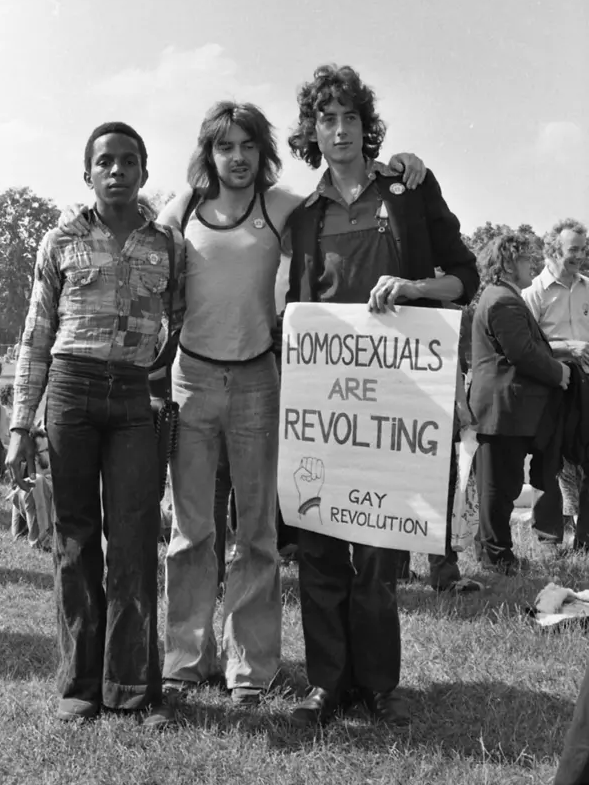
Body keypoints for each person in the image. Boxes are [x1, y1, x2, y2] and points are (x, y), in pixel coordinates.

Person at [61, 101, 426, 722]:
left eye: (248, 147)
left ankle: (251, 666)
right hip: (191, 381)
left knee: (255, 533)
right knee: (191, 531)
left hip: (260, 380)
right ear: (209, 152)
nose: (237, 158)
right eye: (225, 147)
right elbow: (128, 227)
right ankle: (184, 659)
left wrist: (396, 167)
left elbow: (346, 192)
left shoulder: (282, 206)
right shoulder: (181, 211)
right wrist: (79, 213)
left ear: (263, 153)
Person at [284, 64, 480, 727]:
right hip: (322, 406)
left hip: (394, 407)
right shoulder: (302, 214)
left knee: (377, 550)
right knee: (318, 544)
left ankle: (378, 686)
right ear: (312, 131)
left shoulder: (409, 190)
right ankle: (325, 684)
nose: (340, 131)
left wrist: (415, 288)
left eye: (351, 119)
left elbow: (464, 277)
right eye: (327, 120)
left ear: (369, 128)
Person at [6, 122, 183, 726]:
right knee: (76, 540)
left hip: (135, 399)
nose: (116, 171)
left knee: (133, 538)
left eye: (128, 161)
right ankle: (80, 682)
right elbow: (35, 335)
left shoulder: (166, 246)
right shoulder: (58, 241)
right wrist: (18, 425)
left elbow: (182, 325)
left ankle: (132, 686)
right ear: (88, 174)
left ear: (143, 170)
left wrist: (165, 389)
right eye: (104, 162)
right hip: (71, 395)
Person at [469, 231, 570, 574]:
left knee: (500, 485)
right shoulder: (503, 300)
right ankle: (498, 557)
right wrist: (558, 372)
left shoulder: (501, 297)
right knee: (499, 488)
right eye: (526, 258)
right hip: (503, 410)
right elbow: (522, 352)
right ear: (509, 262)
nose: (534, 264)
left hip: (506, 411)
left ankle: (492, 552)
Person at [521, 219, 589, 549]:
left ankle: (586, 540)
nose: (579, 255)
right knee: (548, 463)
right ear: (553, 250)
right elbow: (524, 347)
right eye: (573, 249)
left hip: (586, 387)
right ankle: (548, 540)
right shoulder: (531, 294)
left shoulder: (588, 287)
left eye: (583, 247)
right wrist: (567, 348)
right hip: (550, 387)